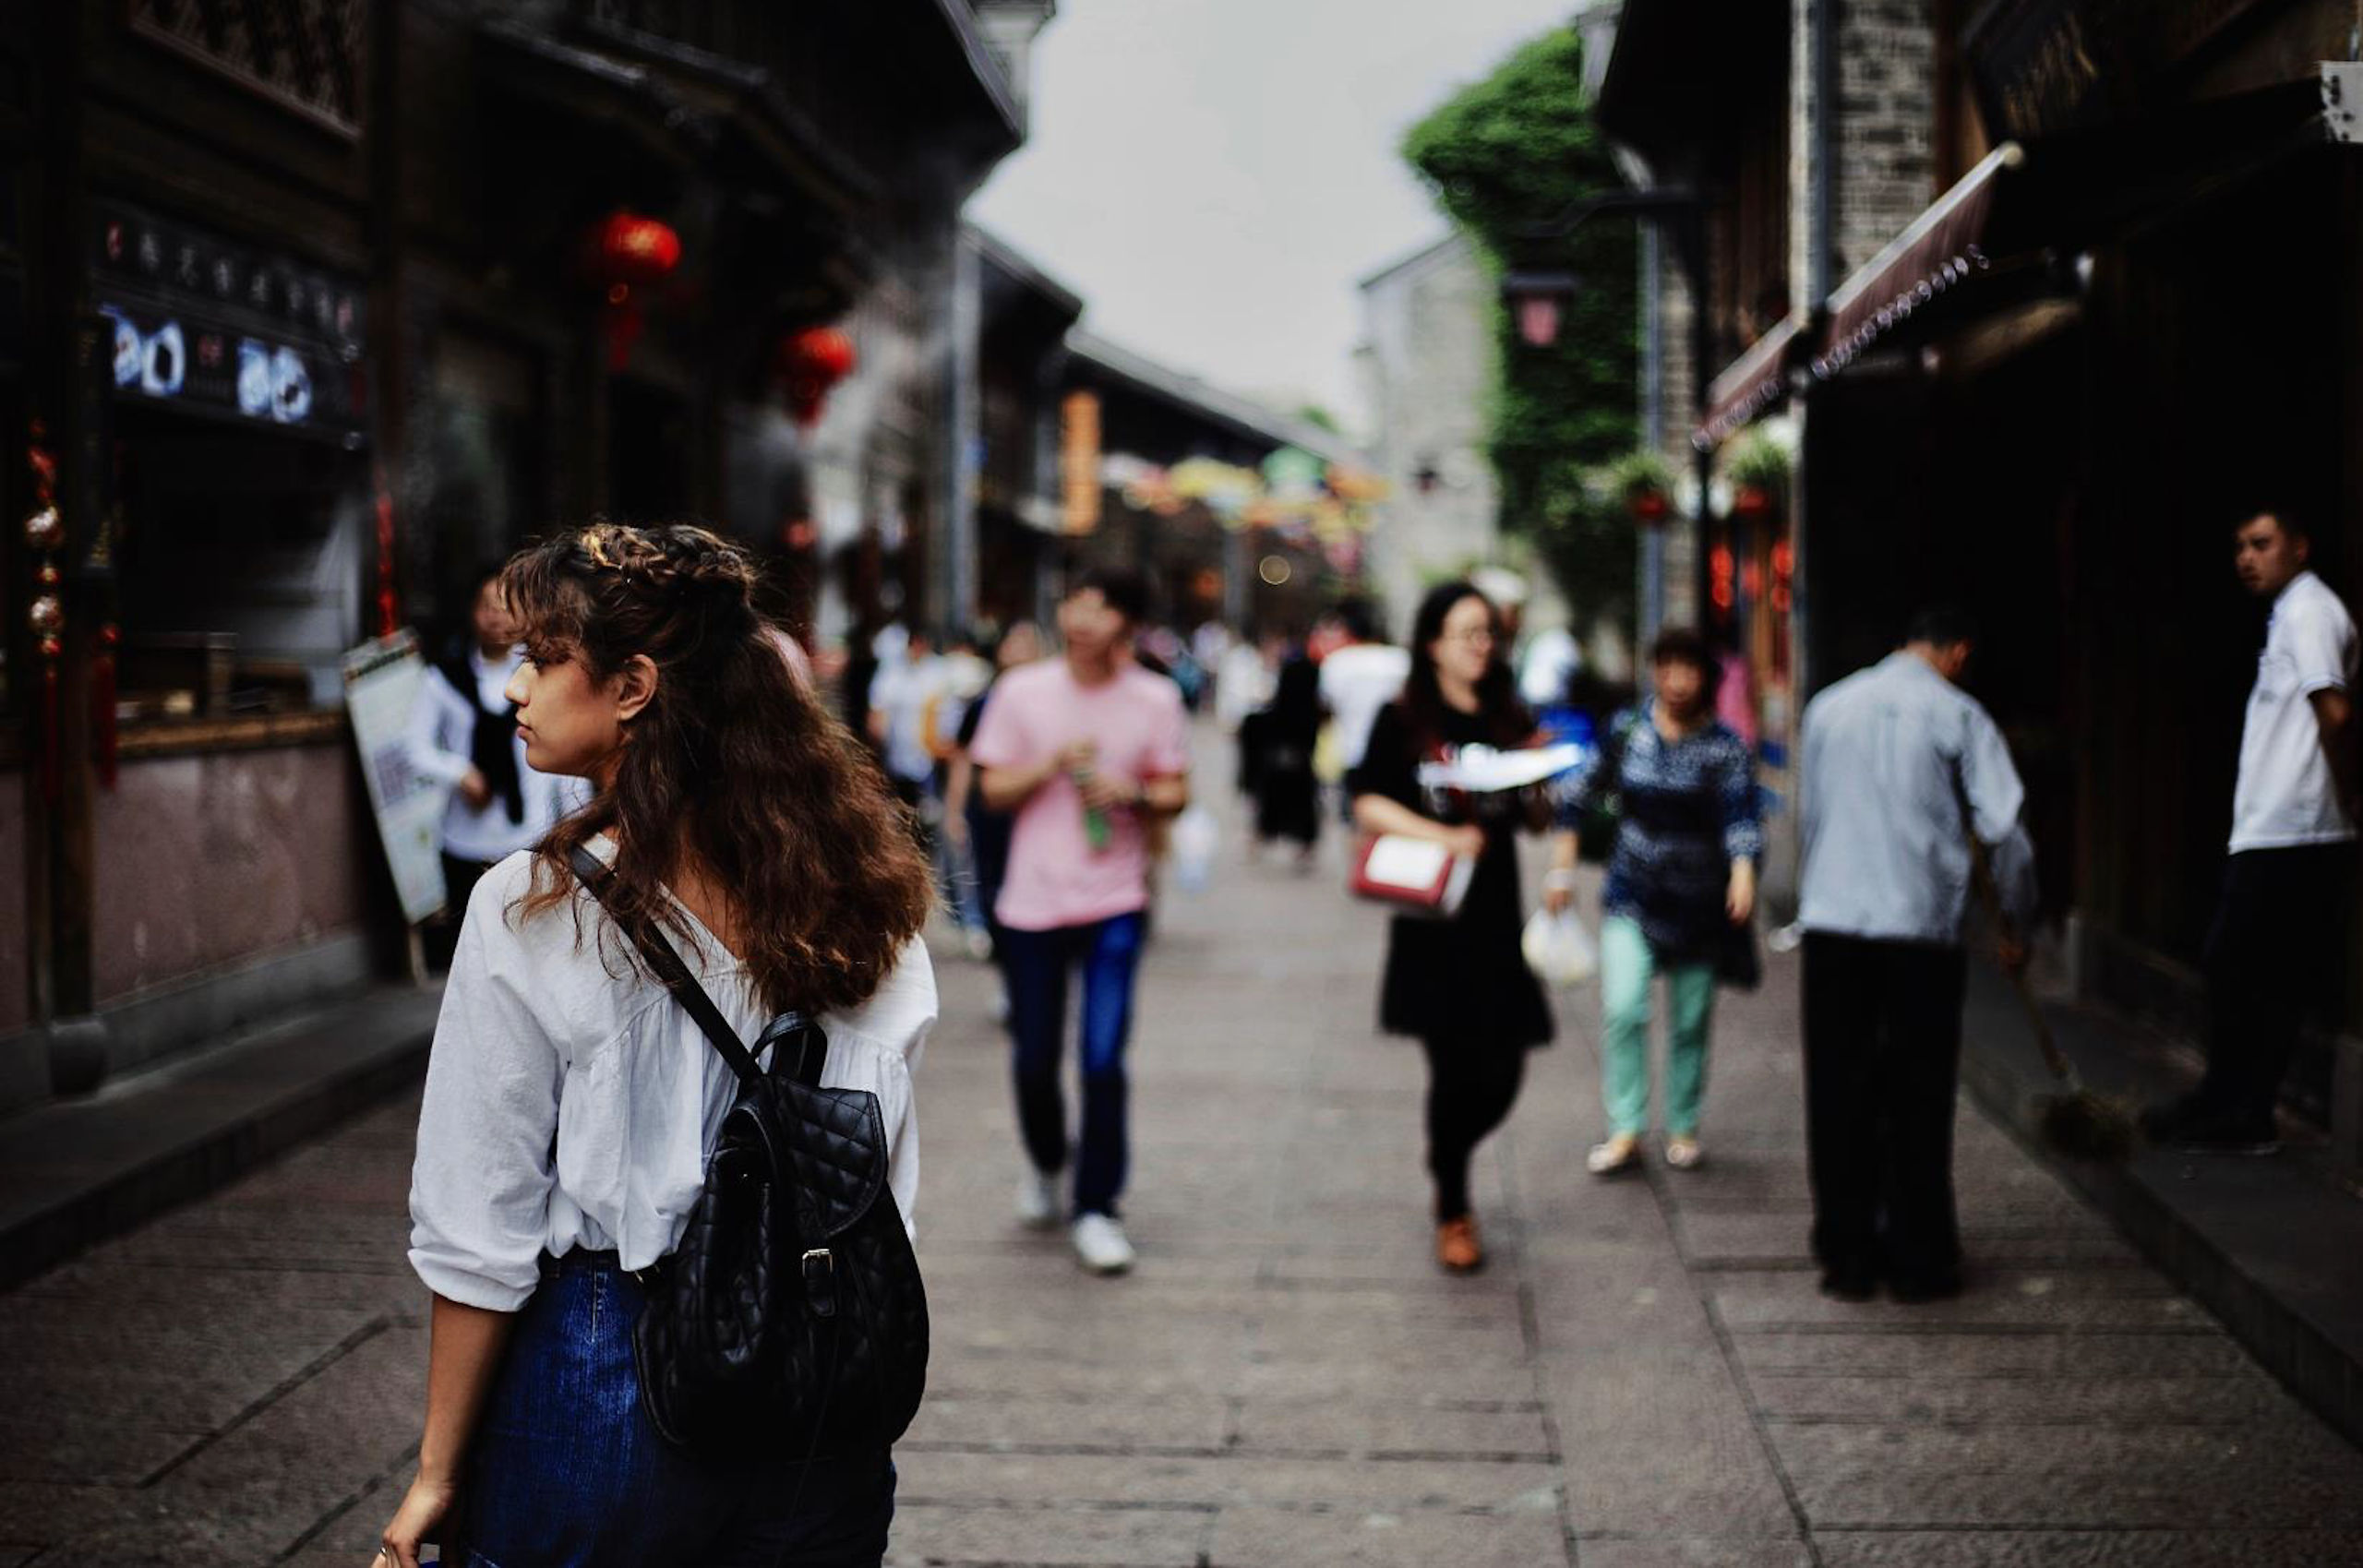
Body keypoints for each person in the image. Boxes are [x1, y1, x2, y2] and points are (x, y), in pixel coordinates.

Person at [380, 522, 938, 1568]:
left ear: (632, 685)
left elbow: (478, 1220)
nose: (515, 691)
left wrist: (437, 1471)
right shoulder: (868, 896)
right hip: (820, 1381)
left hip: (608, 1362)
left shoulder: (533, 905)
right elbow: (882, 1171)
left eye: (542, 660)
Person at [1796, 605, 2036, 1304]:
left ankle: (1846, 1250)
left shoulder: (1828, 707)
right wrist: (2018, 922)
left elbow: (1814, 815)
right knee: (1916, 1094)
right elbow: (2007, 830)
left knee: (1839, 1091)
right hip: (1918, 931)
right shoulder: (1957, 715)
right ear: (1958, 651)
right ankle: (1918, 1254)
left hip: (1834, 922)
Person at [970, 570, 1192, 1275]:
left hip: (1115, 900)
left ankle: (1097, 1206)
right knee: (1034, 1058)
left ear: (1126, 621)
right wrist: (1048, 766)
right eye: (1076, 602)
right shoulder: (1020, 691)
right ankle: (1045, 1161)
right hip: (1032, 903)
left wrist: (1135, 792)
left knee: (1101, 1059)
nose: (1084, 617)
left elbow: (1176, 789)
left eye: (1102, 605)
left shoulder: (1155, 698)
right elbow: (990, 788)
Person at [1348, 581, 1554, 1275]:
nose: (1481, 646)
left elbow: (1536, 820)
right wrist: (1443, 833)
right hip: (1434, 918)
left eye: (1488, 633)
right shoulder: (1403, 717)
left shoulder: (1507, 715)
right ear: (1432, 641)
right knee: (1451, 1065)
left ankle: (1448, 1152)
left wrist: (1540, 777)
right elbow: (1368, 802)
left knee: (1505, 1066)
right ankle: (1454, 1207)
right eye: (1467, 632)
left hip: (1495, 915)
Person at [2145, 509, 2358, 1153]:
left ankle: (2242, 1108)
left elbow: (2337, 709)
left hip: (2295, 827)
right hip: (2274, 825)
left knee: (2241, 965)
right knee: (2252, 969)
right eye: (2239, 545)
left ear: (2299, 545)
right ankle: (2231, 1102)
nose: (2246, 556)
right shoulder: (2290, 612)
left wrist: (2347, 791)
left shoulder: (2309, 610)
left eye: (2261, 544)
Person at [1549, 627, 1761, 1177]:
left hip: (1699, 904)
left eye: (1688, 669)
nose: (1676, 681)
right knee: (1623, 1008)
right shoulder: (1627, 731)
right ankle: (1625, 1128)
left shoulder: (1725, 747)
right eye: (1666, 668)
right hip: (1632, 895)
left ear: (1707, 678)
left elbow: (1742, 816)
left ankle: (1684, 1124)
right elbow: (1576, 796)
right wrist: (1561, 870)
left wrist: (1742, 873)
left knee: (1690, 1021)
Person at [403, 568, 583, 964]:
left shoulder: (543, 674)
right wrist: (460, 772)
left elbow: (569, 761)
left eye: (507, 606)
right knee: (470, 954)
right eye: (487, 606)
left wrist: (575, 827)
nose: (497, 616)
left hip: (530, 837)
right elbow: (415, 747)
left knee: (529, 953)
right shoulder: (443, 679)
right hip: (465, 840)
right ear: (471, 612)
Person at [943, 619, 1046, 975]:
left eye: (1026, 645)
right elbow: (963, 757)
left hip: (1034, 810)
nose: (1017, 652)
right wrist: (954, 810)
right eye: (1012, 644)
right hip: (987, 809)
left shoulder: (1051, 703)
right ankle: (1010, 967)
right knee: (991, 886)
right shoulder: (984, 701)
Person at [1317, 598, 1410, 786]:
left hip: (1350, 753)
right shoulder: (1400, 660)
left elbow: (1326, 706)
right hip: (1394, 755)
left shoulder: (1337, 663)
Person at [1253, 643, 1324, 866]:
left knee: (1274, 796)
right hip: (1302, 753)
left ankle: (1264, 835)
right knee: (1303, 799)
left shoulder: (1283, 705)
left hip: (1283, 752)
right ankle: (1303, 842)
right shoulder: (1311, 707)